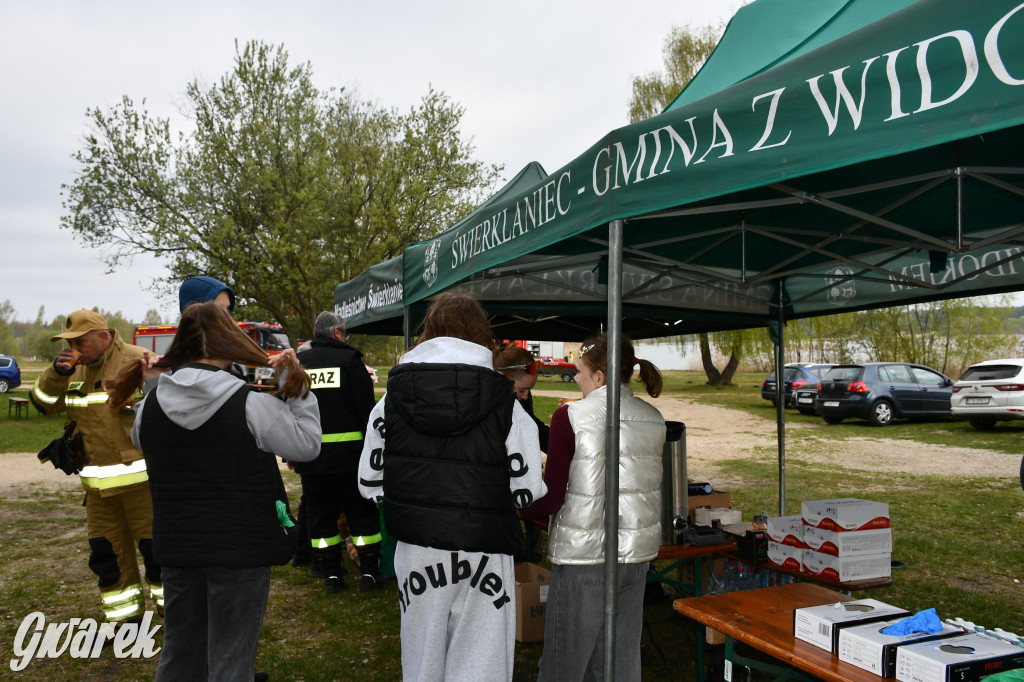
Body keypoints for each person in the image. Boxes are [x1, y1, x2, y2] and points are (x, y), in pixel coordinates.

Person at [107, 301, 321, 681]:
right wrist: (296, 386)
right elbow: (307, 446)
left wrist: (153, 384)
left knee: (180, 654)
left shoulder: (150, 407)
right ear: (229, 342)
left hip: (177, 546)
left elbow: (143, 439)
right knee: (231, 660)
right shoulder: (251, 405)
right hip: (240, 550)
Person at [357, 292, 547, 682]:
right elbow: (527, 488)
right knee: (482, 664)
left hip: (418, 546)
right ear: (482, 336)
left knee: (423, 661)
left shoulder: (390, 400)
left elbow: (369, 481)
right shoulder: (506, 402)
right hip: (484, 546)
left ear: (428, 332)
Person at [520, 333, 665, 682]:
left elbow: (552, 497)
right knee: (619, 662)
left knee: (563, 666)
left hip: (584, 558)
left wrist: (517, 507)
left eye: (579, 372)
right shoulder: (653, 417)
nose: (576, 379)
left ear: (599, 377)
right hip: (635, 559)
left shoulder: (569, 417)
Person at [29, 309, 163, 624]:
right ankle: (126, 622)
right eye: (69, 342)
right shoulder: (71, 370)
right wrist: (56, 372)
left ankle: (178, 620)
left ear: (103, 337)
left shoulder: (138, 360)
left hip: (143, 488)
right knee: (108, 557)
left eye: (80, 341)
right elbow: (43, 404)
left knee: (158, 554)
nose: (73, 348)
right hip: (97, 493)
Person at [297, 311, 387, 593]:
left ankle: (331, 576)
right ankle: (369, 573)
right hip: (351, 459)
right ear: (337, 332)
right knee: (361, 515)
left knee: (321, 517)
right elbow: (366, 413)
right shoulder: (350, 361)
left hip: (312, 459)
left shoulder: (300, 363)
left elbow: (290, 410)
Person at [494, 343, 550, 453]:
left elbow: (536, 430)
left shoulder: (521, 402)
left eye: (530, 389)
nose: (526, 396)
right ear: (501, 379)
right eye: (522, 390)